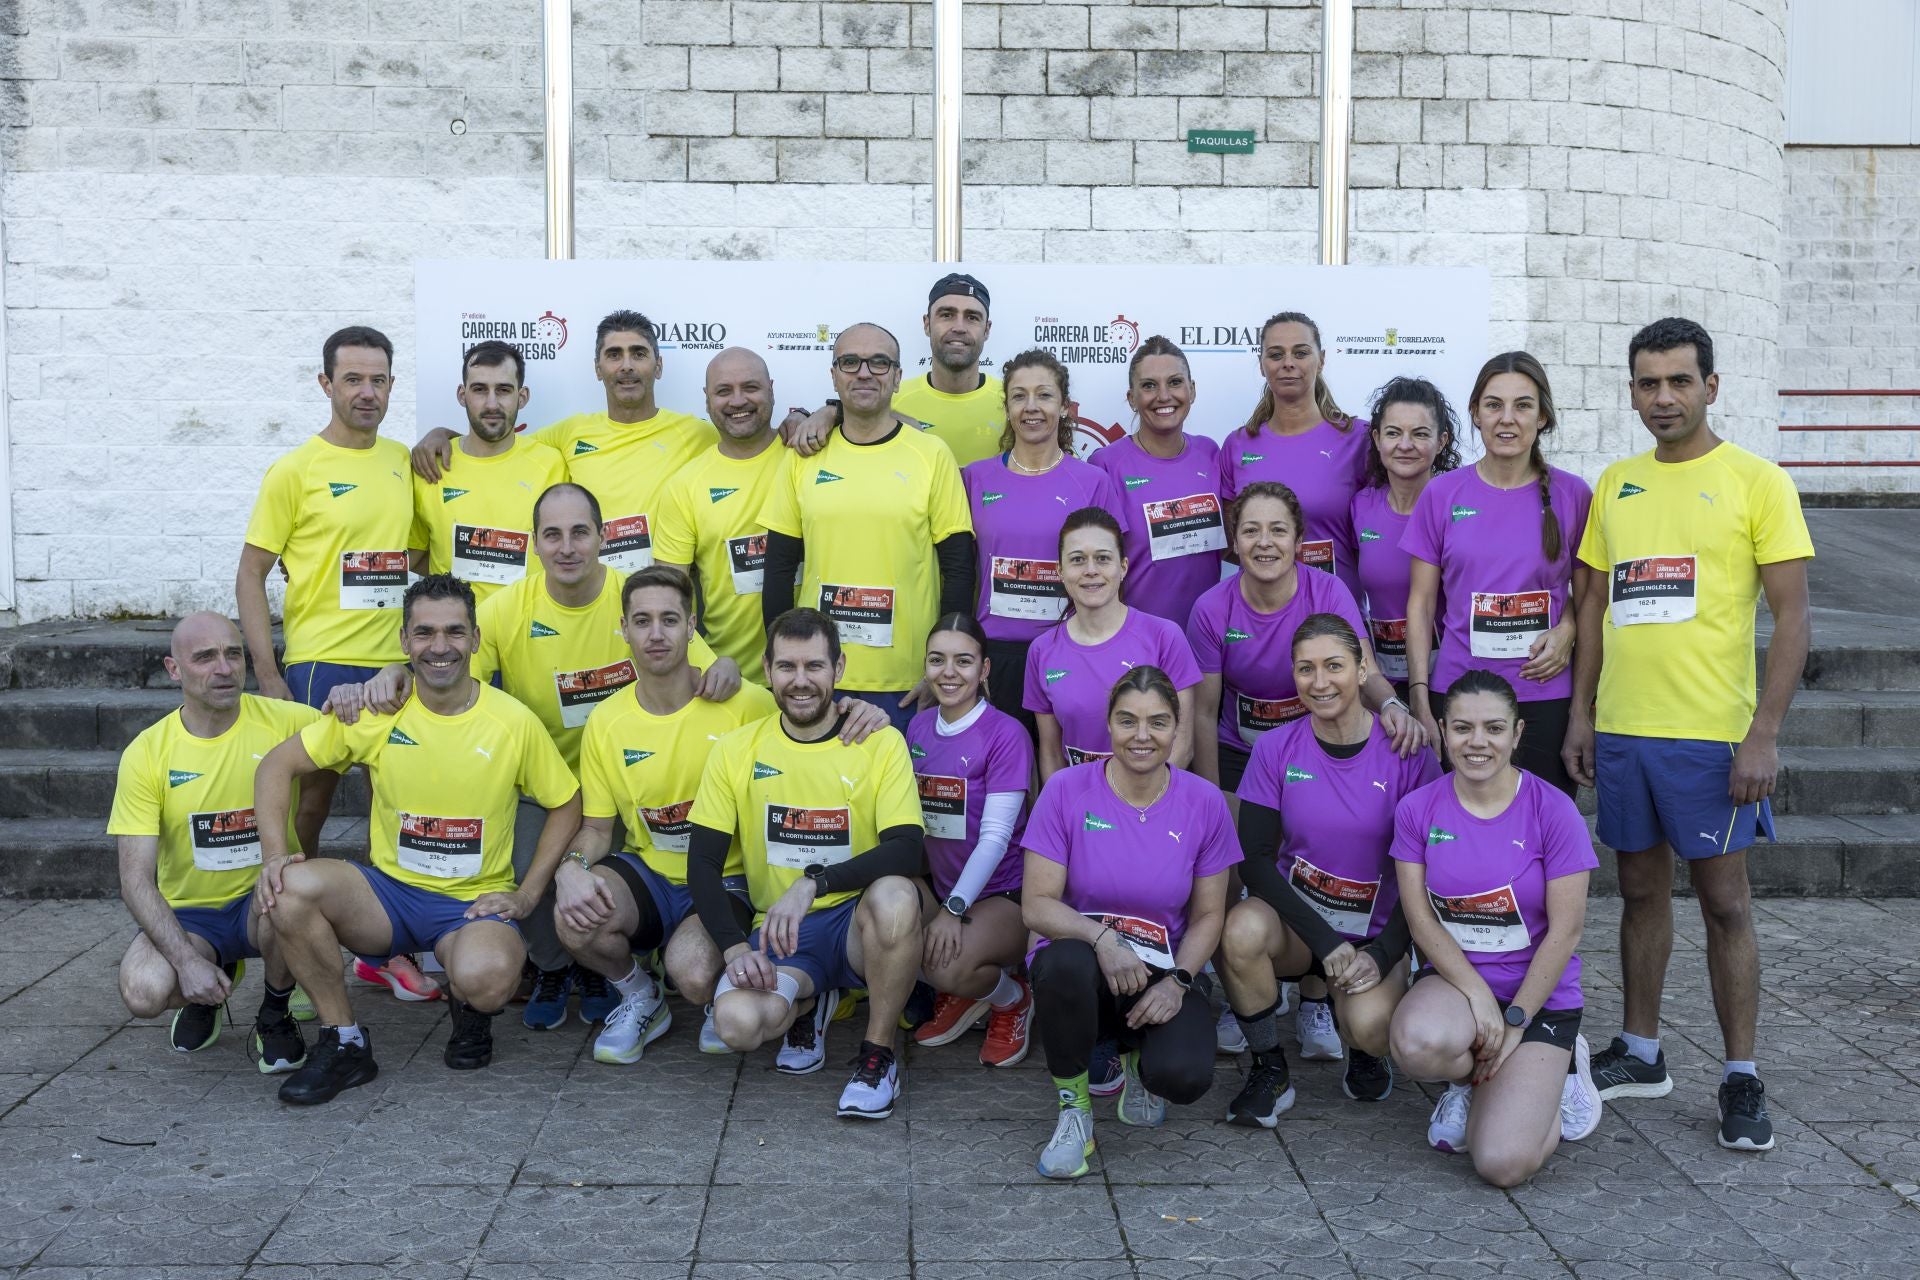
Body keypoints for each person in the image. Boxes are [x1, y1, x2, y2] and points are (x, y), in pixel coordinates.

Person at [337, 483, 735, 1030]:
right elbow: (446, 674)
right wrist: (393, 673)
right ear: (534, 544)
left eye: (579, 532)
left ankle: (604, 968)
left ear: (603, 537)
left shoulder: (634, 602)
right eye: (552, 535)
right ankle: (552, 966)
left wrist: (729, 666)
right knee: (529, 861)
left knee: (601, 872)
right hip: (542, 782)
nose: (567, 547)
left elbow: (709, 670)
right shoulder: (505, 610)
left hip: (623, 785)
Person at [1564, 317, 1814, 1153]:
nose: (1662, 397)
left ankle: (1741, 1074)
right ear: (1631, 390)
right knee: (1638, 894)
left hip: (1712, 739)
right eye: (1647, 382)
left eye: (1678, 380)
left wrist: (1764, 734)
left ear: (1712, 385)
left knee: (1726, 904)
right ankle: (1641, 1051)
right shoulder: (1617, 483)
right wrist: (1582, 715)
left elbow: (1792, 617)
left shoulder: (1757, 482)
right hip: (1627, 733)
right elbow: (1592, 610)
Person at [254, 575, 582, 1105]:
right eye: (424, 633)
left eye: (454, 631)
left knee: (491, 977)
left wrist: (527, 894)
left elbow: (567, 801)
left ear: (476, 639)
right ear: (404, 642)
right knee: (288, 889)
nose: (440, 646)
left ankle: (470, 1010)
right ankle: (343, 1041)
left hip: (470, 904)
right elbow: (276, 766)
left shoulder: (512, 721)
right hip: (389, 897)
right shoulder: (378, 710)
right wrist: (274, 853)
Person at [237, 324, 434, 1001]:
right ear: (326, 384)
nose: (367, 392)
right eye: (352, 379)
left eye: (378, 379)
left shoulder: (403, 462)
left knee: (397, 806)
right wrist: (267, 674)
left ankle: (385, 949)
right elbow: (251, 573)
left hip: (393, 668)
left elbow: (415, 558)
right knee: (307, 812)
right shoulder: (295, 470)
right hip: (319, 666)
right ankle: (293, 940)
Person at [688, 609, 930, 1120]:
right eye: (787, 667)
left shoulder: (879, 741)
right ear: (767, 668)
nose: (801, 681)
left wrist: (813, 885)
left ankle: (877, 1055)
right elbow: (703, 865)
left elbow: (908, 848)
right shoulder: (736, 750)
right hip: (783, 934)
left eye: (815, 667)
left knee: (896, 895)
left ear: (839, 668)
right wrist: (734, 950)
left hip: (857, 926)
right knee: (735, 1025)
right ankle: (811, 997)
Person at [1218, 614, 1442, 1126]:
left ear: (1363, 670)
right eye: (1306, 669)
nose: (1320, 682)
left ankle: (1361, 1046)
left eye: (1334, 666)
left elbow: (1427, 870)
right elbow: (1254, 857)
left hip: (1373, 935)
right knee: (1241, 928)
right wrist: (1323, 941)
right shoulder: (1276, 748)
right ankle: (1269, 1069)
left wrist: (1385, 952)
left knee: (1373, 1028)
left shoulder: (1408, 752)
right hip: (1301, 928)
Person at [553, 566, 778, 1065]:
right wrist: (570, 867)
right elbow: (596, 829)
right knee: (573, 915)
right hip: (653, 874)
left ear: (691, 626)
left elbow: (815, 726)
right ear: (625, 630)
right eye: (643, 621)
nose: (656, 634)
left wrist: (859, 713)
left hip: (729, 879)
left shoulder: (749, 706)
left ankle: (718, 990)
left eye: (670, 620)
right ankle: (640, 997)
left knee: (693, 973)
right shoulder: (606, 722)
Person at [1022, 666, 1240, 1180]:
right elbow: (1036, 904)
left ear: (1177, 728)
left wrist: (1181, 982)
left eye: (1158, 722)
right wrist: (1104, 939)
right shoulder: (1066, 790)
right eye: (1128, 721)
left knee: (1184, 1077)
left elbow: (1211, 913)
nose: (1142, 736)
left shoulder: (1204, 802)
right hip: (1085, 959)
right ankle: (1074, 1112)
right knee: (1066, 965)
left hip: (1162, 967)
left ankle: (1138, 1059)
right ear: (1108, 725)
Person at [1388, 669, 1603, 1185]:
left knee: (1502, 1164)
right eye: (1462, 728)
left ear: (1517, 734)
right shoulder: (1418, 809)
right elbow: (1420, 918)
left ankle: (1561, 1071)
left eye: (1493, 728)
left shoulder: (1554, 811)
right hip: (1457, 984)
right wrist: (1480, 999)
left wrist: (1515, 1019)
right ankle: (1471, 1082)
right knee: (1416, 1044)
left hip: (1541, 996)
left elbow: (1566, 932)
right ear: (1441, 730)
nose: (1477, 742)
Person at [108, 613, 333, 1068]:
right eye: (205, 657)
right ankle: (207, 986)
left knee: (290, 891)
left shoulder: (288, 721)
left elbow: (361, 737)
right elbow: (134, 879)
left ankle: (274, 1012)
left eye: (233, 654)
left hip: (263, 904)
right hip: (192, 918)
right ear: (175, 670)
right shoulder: (147, 753)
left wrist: (373, 686)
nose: (224, 668)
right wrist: (186, 962)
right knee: (143, 991)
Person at [761, 323, 976, 732]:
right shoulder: (803, 458)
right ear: (834, 374)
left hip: (908, 685)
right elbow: (778, 569)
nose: (864, 372)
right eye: (850, 362)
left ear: (897, 376)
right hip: (818, 680)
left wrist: (942, 670)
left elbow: (961, 568)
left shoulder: (931, 455)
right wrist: (781, 666)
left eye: (879, 362)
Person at [1404, 353, 1593, 797]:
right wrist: (1419, 695)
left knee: (1543, 839)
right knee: (1463, 837)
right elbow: (1421, 603)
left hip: (1545, 696)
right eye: (1493, 405)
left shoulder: (1574, 495)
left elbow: (1591, 600)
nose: (1507, 419)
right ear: (1475, 413)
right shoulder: (1442, 493)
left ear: (1542, 415)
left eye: (1523, 405)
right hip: (1460, 694)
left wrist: (1568, 629)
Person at [412, 310, 714, 577]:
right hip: (592, 600)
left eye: (638, 353)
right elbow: (496, 441)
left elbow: (741, 450)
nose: (626, 366)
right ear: (597, 368)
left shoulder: (698, 435)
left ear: (658, 366)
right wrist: (442, 434)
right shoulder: (569, 435)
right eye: (614, 355)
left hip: (658, 608)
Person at [1188, 482, 1426, 797]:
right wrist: (1211, 800)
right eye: (1250, 531)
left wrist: (1391, 705)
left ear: (1298, 540)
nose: (1264, 543)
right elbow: (1203, 713)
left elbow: (1367, 674)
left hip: (1317, 749)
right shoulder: (1210, 609)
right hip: (1241, 755)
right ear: (1234, 540)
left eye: (1278, 530)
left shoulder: (1328, 592)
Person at [962, 348, 1126, 733]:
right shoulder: (975, 478)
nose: (1031, 407)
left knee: (1062, 776)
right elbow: (960, 571)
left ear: (1065, 406)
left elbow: (1114, 576)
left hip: (1070, 649)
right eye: (1019, 396)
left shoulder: (1092, 482)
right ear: (1007, 407)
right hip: (994, 656)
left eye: (1044, 395)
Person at [904, 614, 1036, 1068]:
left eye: (963, 661)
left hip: (1005, 895)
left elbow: (997, 838)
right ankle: (965, 990)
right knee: (883, 938)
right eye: (937, 660)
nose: (949, 672)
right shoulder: (919, 728)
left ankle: (1010, 996)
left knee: (943, 963)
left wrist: (952, 909)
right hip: (943, 887)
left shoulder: (1006, 734)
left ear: (984, 670)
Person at [1025, 508, 1202, 778]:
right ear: (1060, 571)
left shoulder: (1165, 637)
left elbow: (1183, 746)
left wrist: (1133, 803)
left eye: (1103, 558)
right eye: (1077, 560)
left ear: (1123, 567)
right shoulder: (1041, 651)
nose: (1091, 570)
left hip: (1149, 806)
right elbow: (1050, 753)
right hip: (1079, 811)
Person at [654, 348, 788, 681]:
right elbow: (668, 598)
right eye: (723, 391)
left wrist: (830, 412)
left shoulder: (810, 454)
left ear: (772, 388)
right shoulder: (686, 485)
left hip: (820, 676)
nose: (738, 400)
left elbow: (872, 421)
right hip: (729, 680)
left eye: (751, 387)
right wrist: (705, 663)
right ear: (706, 398)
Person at [1215, 312, 1369, 597]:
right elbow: (1230, 543)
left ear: (1321, 360)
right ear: (1262, 365)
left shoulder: (1359, 439)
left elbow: (1378, 540)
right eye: (1276, 354)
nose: (1288, 363)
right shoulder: (1237, 446)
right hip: (1258, 613)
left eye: (1300, 353)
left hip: (1334, 617)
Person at [785, 274, 1003, 468]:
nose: (959, 327)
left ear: (987, 329)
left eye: (972, 317)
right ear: (926, 324)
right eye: (946, 315)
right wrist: (820, 413)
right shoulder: (891, 396)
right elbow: (855, 414)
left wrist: (831, 412)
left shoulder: (1013, 402)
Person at [407, 340, 567, 604]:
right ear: (462, 395)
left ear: (522, 396)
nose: (492, 403)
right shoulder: (431, 467)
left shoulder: (551, 464)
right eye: (480, 390)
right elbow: (420, 555)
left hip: (529, 632)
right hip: (456, 637)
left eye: (503, 390)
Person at [1091, 336, 1227, 627]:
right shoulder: (1106, 465)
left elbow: (1229, 543)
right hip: (1136, 641)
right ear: (1132, 398)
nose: (1164, 396)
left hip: (1205, 637)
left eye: (1175, 382)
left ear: (1192, 390)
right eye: (1149, 385)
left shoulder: (1210, 453)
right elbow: (1098, 567)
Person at [1349, 377, 1461, 695]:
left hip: (1451, 683)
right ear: (1376, 438)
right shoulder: (1361, 507)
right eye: (1393, 433)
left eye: (1420, 434)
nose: (1405, 445)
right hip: (1380, 683)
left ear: (1441, 442)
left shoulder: (1460, 506)